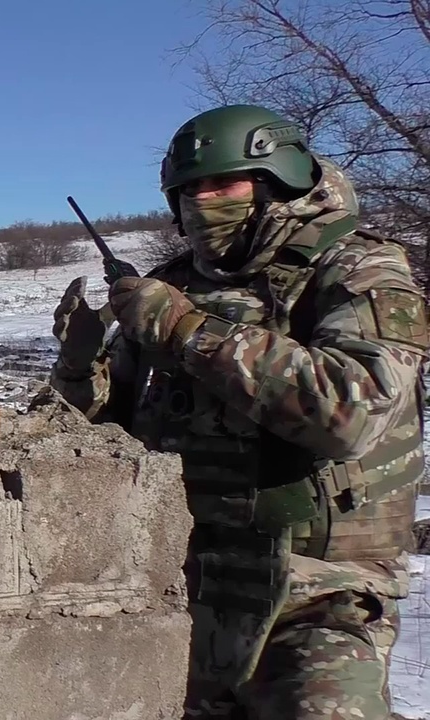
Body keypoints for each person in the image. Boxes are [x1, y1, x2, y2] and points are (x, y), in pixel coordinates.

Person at [48, 104, 428, 718]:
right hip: (184, 583)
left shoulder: (357, 268)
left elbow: (351, 410)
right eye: (189, 190)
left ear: (275, 181)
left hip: (313, 594)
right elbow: (104, 433)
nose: (204, 202)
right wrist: (78, 364)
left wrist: (182, 328)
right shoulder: (172, 282)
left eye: (224, 184)